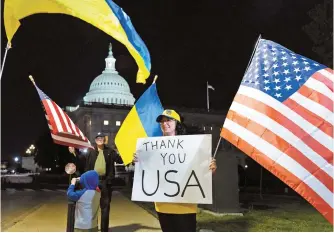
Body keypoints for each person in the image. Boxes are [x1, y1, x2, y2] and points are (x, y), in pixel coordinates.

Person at [134, 109, 217, 232]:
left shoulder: (191, 145)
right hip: (163, 204)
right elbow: (147, 170)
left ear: (177, 123)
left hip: (185, 204)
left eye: (168, 120)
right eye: (162, 121)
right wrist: (138, 160)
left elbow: (203, 172)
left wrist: (211, 167)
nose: (165, 123)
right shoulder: (151, 146)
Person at [82, 132, 123, 232]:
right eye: (97, 138)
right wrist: (72, 152)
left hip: (105, 182)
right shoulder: (90, 151)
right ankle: (92, 228)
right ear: (95, 140)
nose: (99, 139)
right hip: (92, 183)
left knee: (105, 208)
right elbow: (80, 161)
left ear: (104, 140)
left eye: (101, 138)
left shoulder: (110, 151)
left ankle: (104, 230)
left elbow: (120, 160)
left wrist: (127, 152)